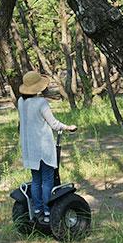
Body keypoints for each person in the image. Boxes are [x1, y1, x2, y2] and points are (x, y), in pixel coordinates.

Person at [17, 71, 76, 225]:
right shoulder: (41, 103)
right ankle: (49, 211)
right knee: (48, 179)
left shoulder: (21, 102)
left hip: (30, 149)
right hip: (43, 147)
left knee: (36, 180)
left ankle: (37, 210)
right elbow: (54, 124)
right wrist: (68, 127)